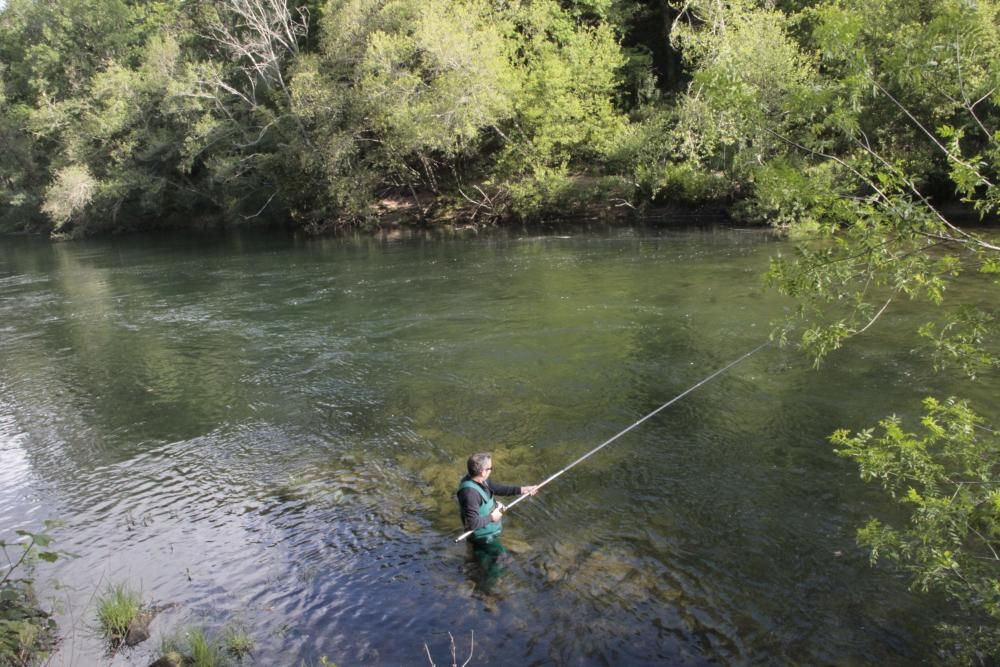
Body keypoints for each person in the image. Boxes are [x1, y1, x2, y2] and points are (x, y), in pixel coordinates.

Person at [456, 452, 539, 593]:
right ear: (482, 472)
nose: (491, 470)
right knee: (502, 559)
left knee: (485, 559)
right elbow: (472, 523)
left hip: (488, 533)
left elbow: (498, 488)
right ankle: (488, 590)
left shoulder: (480, 480)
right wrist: (492, 517)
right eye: (490, 468)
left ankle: (478, 572)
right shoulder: (470, 493)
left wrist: (523, 489)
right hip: (482, 537)